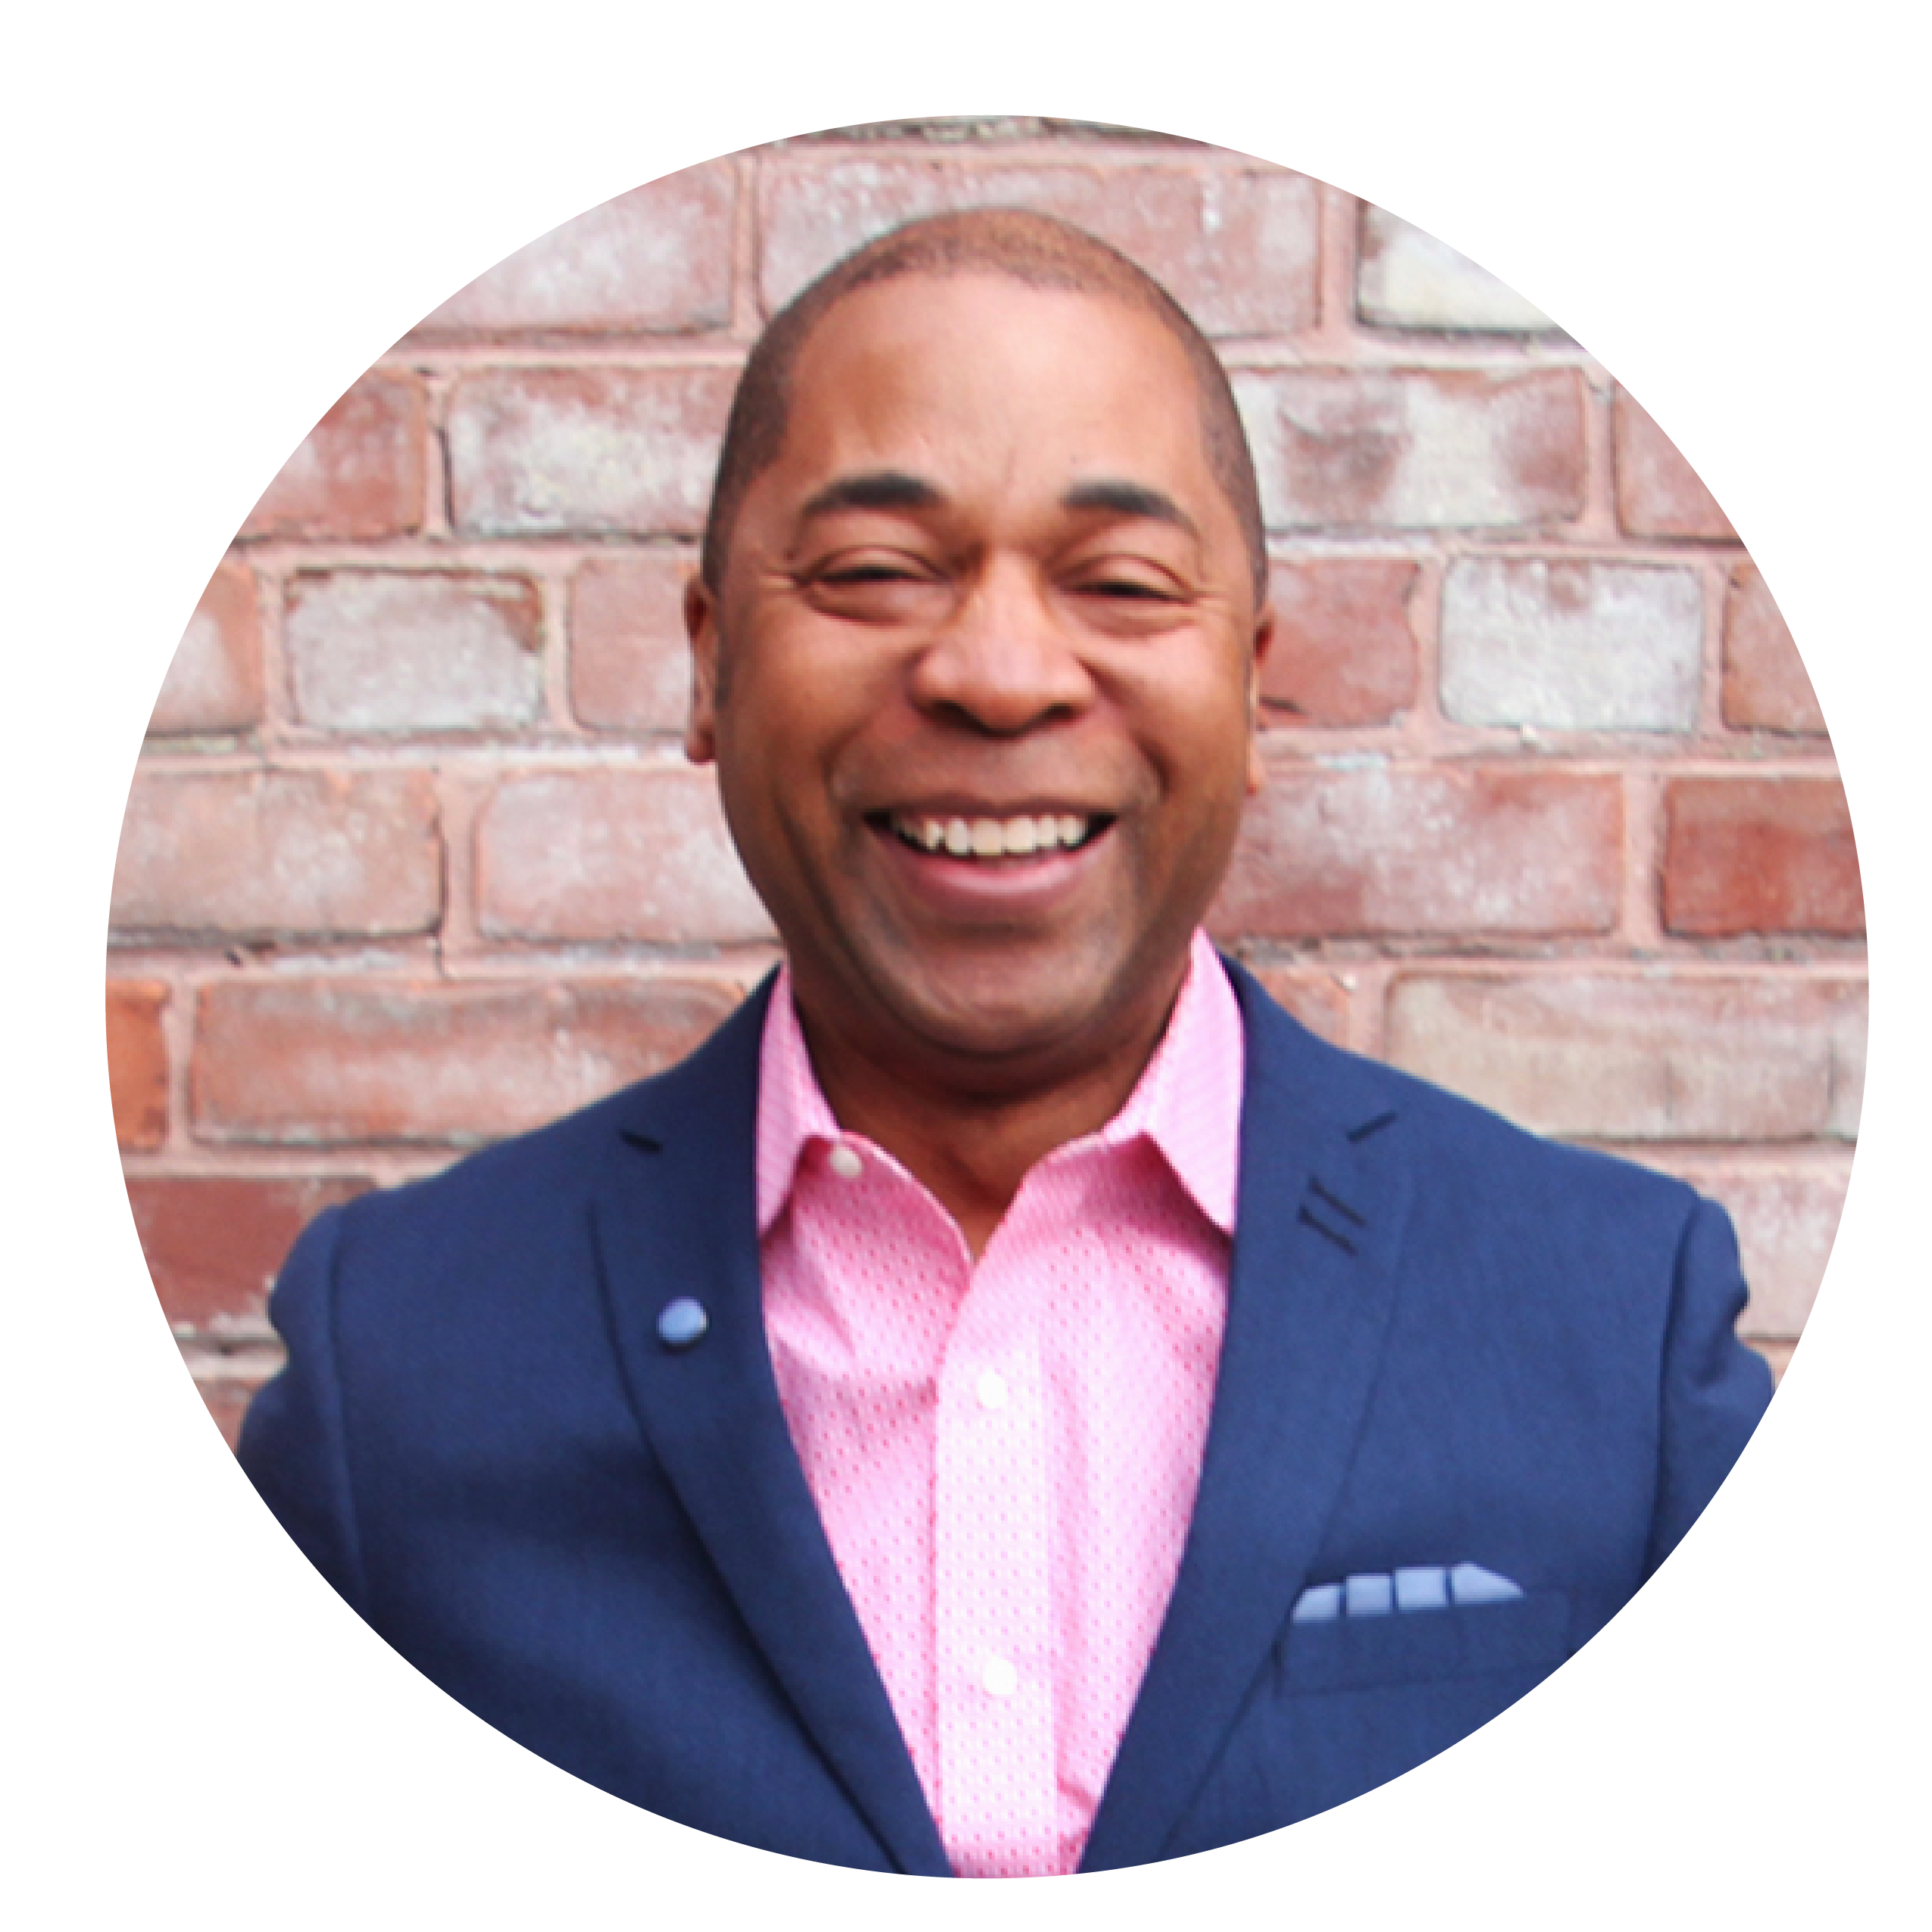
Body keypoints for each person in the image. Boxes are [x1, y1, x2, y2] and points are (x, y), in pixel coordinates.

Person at [236, 208, 1776, 1875]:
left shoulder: (1617, 1332)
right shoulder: (398, 1374)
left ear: (1253, 690)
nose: (996, 672)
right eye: (876, 573)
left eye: (1116, 582)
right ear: (707, 666)